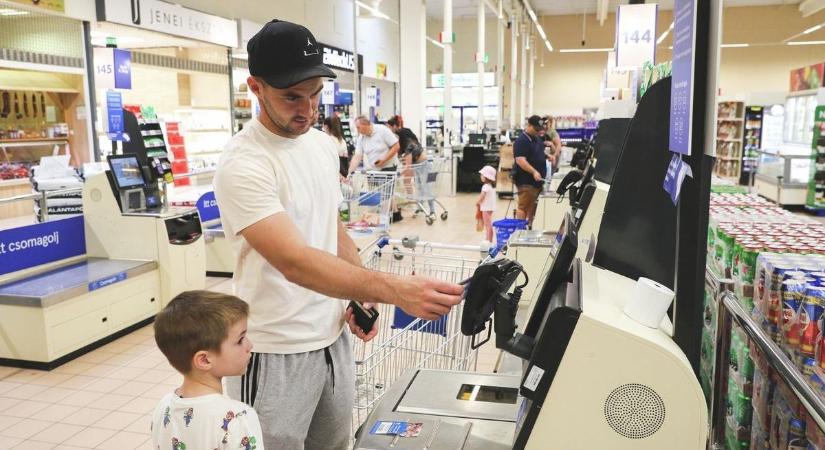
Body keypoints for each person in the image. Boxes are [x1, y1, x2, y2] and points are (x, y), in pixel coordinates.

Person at [213, 20, 463, 450]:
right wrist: (394, 290)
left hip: (334, 341)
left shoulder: (322, 146)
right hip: (276, 351)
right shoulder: (244, 164)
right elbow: (294, 261)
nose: (307, 110)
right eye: (292, 97)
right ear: (255, 87)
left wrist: (359, 289)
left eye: (315, 95)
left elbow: (331, 225)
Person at [151, 290, 264, 450]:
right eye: (240, 340)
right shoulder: (237, 417)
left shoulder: (163, 408)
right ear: (204, 360)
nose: (249, 345)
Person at [348, 115, 403, 221]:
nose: (357, 130)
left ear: (366, 124)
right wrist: (350, 172)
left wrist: (384, 159)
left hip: (388, 166)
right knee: (386, 194)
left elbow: (396, 146)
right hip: (374, 169)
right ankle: (396, 214)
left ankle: (383, 220)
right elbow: (357, 156)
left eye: (359, 127)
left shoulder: (382, 130)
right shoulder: (361, 138)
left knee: (385, 195)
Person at [387, 116, 436, 217]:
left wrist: (398, 174)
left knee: (427, 188)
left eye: (390, 128)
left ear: (395, 126)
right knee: (419, 187)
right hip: (418, 165)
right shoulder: (406, 133)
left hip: (425, 165)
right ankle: (420, 208)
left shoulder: (408, 146)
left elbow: (407, 167)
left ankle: (432, 211)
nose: (389, 130)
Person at [513, 115, 548, 227]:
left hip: (536, 182)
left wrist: (548, 156)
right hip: (526, 181)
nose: (538, 132)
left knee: (532, 206)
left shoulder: (536, 139)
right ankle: (520, 230)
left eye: (539, 130)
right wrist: (534, 171)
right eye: (536, 129)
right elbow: (520, 160)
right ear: (529, 125)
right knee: (523, 206)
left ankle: (530, 227)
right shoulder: (521, 141)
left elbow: (536, 153)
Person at [476, 165, 497, 242]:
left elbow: (482, 196)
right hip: (490, 208)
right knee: (488, 224)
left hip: (486, 208)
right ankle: (488, 238)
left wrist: (478, 202)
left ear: (486, 177)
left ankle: (489, 240)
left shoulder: (485, 186)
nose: (481, 176)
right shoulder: (491, 186)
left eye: (482, 175)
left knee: (488, 225)